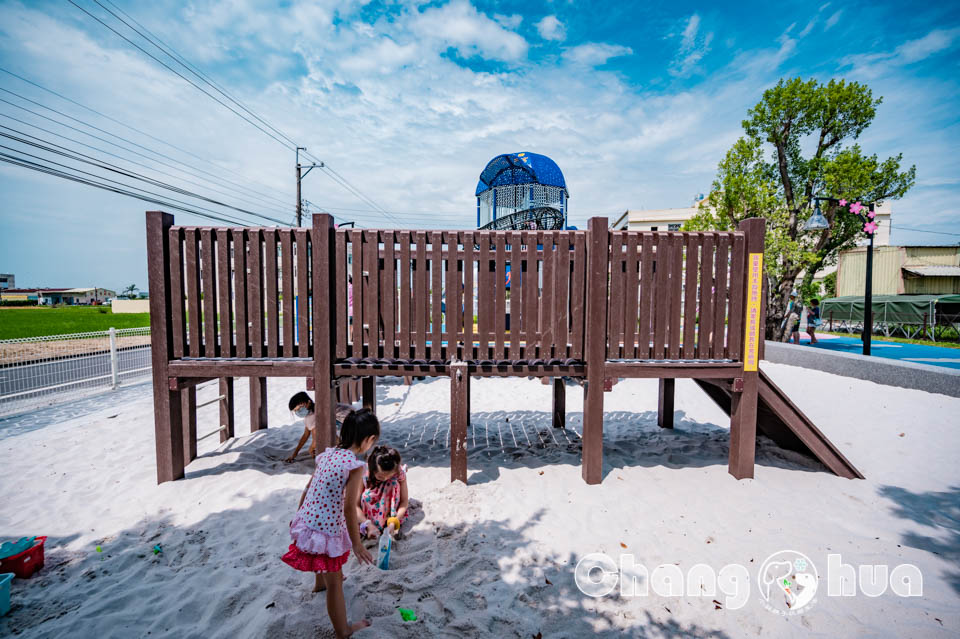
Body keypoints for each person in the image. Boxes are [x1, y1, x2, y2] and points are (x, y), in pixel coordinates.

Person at [281, 408, 380, 638]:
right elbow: (348, 508)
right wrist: (357, 544)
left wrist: (299, 515)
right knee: (336, 581)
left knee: (320, 553)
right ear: (368, 440)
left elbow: (309, 487)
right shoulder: (355, 466)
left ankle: (319, 583)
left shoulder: (328, 454)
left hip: (308, 518)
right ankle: (342, 630)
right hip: (324, 526)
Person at [285, 393, 354, 463]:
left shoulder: (312, 415)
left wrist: (311, 449)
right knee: (324, 427)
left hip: (348, 420)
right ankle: (341, 446)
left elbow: (316, 439)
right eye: (295, 411)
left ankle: (341, 448)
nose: (298, 412)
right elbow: (305, 435)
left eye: (299, 409)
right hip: (350, 413)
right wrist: (295, 453)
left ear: (308, 402)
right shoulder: (313, 410)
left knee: (322, 429)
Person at [357, 446, 409, 540]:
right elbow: (355, 505)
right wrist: (367, 524)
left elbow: (404, 501)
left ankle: (386, 521)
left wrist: (394, 520)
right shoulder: (365, 473)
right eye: (381, 477)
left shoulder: (398, 473)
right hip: (368, 514)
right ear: (373, 470)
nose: (385, 479)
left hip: (390, 514)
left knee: (392, 483)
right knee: (366, 495)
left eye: (390, 475)